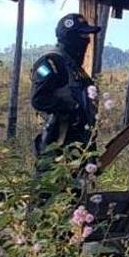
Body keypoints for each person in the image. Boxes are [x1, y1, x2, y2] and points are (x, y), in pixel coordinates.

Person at [31, 13, 101, 182]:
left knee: (75, 199)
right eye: (82, 35)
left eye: (87, 35)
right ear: (70, 38)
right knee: (48, 197)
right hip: (57, 145)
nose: (86, 40)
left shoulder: (78, 70)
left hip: (80, 147)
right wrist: (70, 108)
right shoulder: (51, 62)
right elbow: (38, 99)